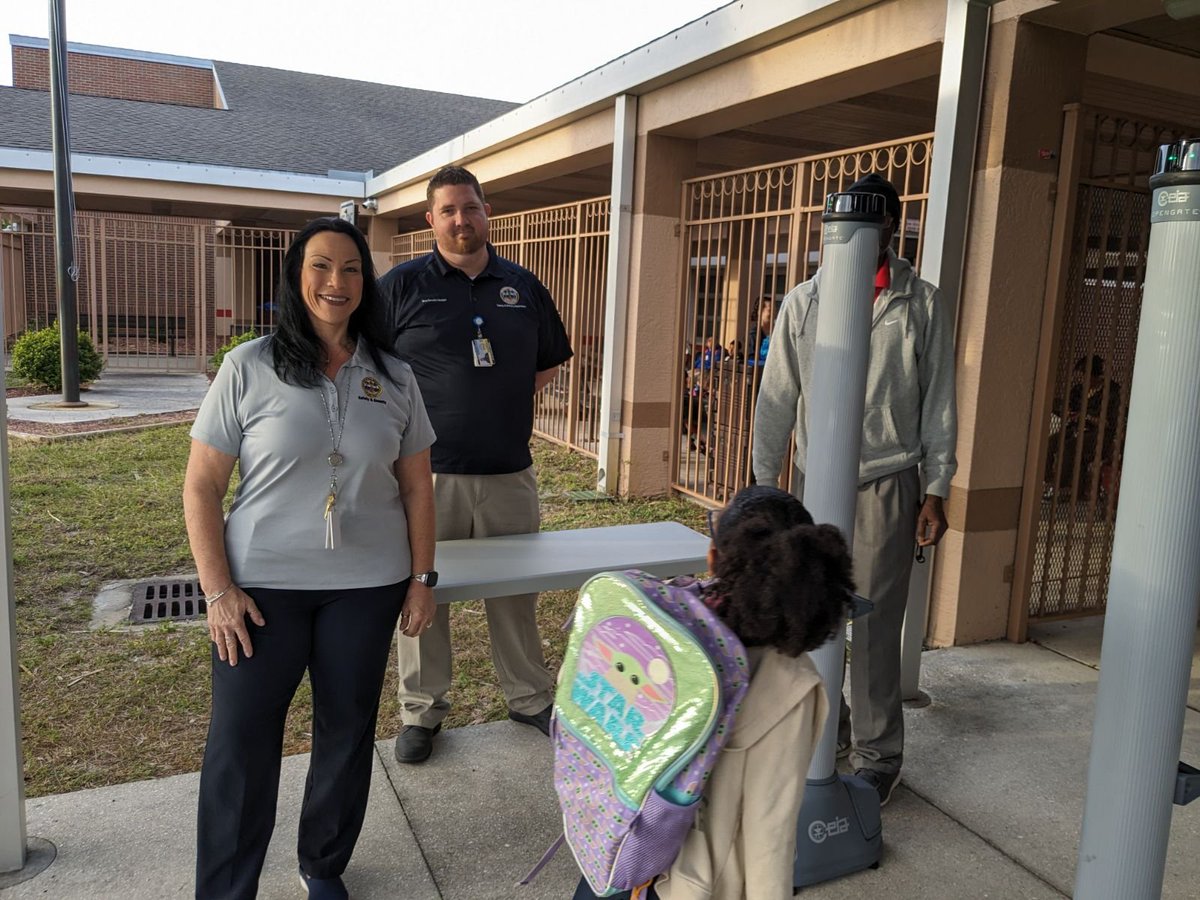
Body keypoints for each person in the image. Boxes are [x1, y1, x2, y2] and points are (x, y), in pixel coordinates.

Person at [184, 216, 437, 900]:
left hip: (368, 586)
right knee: (241, 742)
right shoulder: (250, 365)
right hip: (259, 590)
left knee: (347, 732)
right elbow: (202, 486)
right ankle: (226, 888)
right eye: (321, 266)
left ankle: (322, 865)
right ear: (298, 278)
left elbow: (416, 485)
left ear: (366, 282)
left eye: (351, 268)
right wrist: (217, 592)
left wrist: (421, 579)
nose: (337, 281)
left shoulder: (394, 373)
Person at [752, 172, 957, 807]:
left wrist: (936, 486)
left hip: (888, 481)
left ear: (891, 230)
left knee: (872, 624)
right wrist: (763, 487)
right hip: (816, 481)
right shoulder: (804, 302)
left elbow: (938, 399)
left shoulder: (918, 302)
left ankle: (878, 755)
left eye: (870, 228)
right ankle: (828, 732)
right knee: (812, 613)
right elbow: (777, 396)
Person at [571, 484, 855, 900]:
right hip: (690, 882)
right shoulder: (789, 687)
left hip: (618, 848)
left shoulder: (663, 626)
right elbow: (768, 833)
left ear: (712, 559)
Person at [380, 165, 574, 764]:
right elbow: (373, 369)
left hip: (509, 473)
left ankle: (528, 696)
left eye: (470, 208)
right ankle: (421, 710)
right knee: (421, 593)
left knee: (516, 594)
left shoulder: (522, 285)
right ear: (429, 219)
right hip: (424, 478)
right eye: (448, 211)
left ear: (486, 211)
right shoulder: (401, 286)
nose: (461, 220)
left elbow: (545, 363)